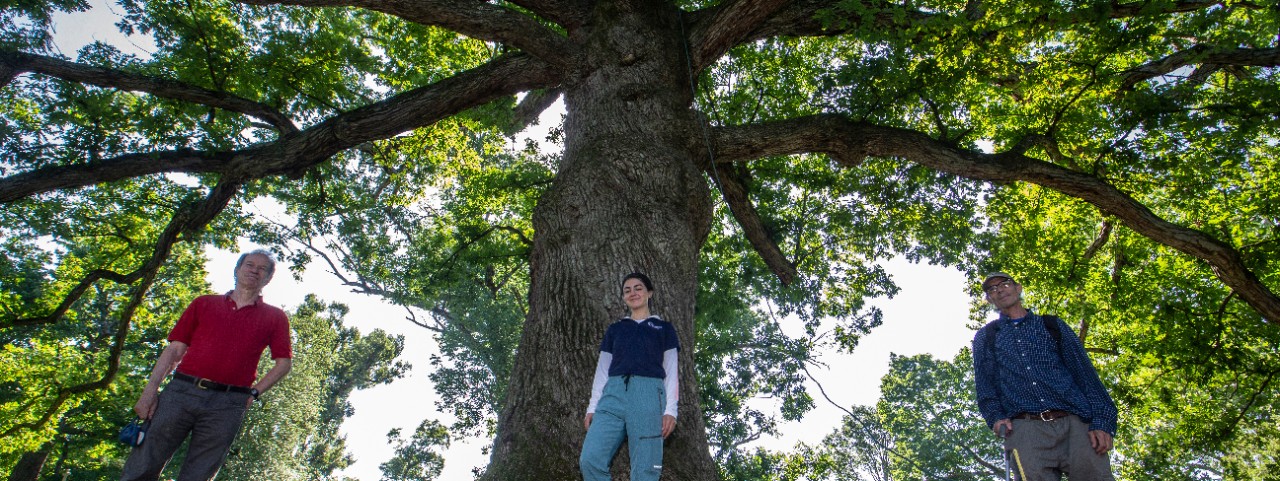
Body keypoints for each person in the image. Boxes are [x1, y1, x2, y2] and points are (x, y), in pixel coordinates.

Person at [120, 249, 293, 481]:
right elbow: (174, 351)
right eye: (250, 265)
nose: (255, 270)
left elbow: (284, 364)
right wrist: (149, 391)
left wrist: (254, 393)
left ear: (268, 278)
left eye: (262, 268)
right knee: (143, 464)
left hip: (228, 404)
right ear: (238, 269)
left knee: (199, 475)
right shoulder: (203, 304)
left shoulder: (275, 317)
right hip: (180, 392)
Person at [971, 272, 1118, 481]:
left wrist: (1102, 422)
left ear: (1018, 288)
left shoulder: (1052, 326)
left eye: (1004, 284)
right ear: (989, 299)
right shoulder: (986, 337)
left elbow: (1085, 375)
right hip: (1025, 428)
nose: (999, 290)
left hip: (1075, 423)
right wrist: (995, 417)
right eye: (992, 289)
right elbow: (985, 385)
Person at [579, 272, 680, 481]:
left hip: (649, 395)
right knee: (589, 459)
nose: (632, 293)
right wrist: (592, 406)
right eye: (627, 290)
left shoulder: (664, 328)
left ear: (649, 293)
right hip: (613, 395)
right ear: (624, 298)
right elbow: (602, 371)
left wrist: (671, 410)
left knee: (646, 469)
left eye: (638, 288)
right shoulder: (616, 329)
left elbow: (671, 371)